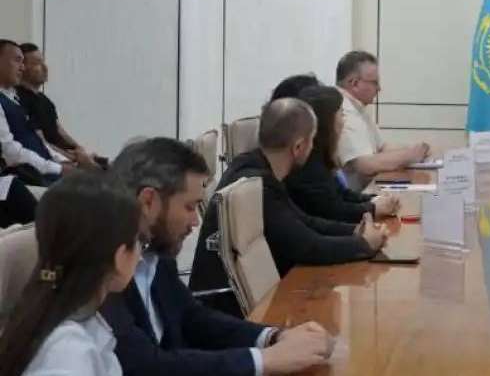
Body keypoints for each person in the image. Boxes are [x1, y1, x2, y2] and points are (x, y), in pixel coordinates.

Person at [102, 137, 333, 376]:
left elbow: (192, 317)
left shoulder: (154, 251)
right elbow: (146, 366)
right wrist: (263, 361)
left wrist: (273, 337)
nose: (196, 221)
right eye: (189, 207)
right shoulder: (101, 267)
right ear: (148, 201)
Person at [190, 98, 387, 315]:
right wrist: (363, 245)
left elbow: (303, 222)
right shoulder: (257, 185)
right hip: (228, 317)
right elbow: (308, 246)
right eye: (311, 141)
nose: (313, 148)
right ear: (299, 147)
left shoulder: (258, 168)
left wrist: (354, 232)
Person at [0, 171, 139, 376]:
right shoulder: (68, 352)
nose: (140, 256)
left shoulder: (41, 316)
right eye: (139, 242)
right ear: (120, 257)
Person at [286, 85, 399, 223]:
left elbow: (342, 194)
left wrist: (376, 199)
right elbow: (335, 211)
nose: (343, 121)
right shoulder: (308, 165)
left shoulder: (320, 156)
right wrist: (373, 208)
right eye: (341, 115)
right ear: (327, 123)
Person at [334, 51, 429, 192]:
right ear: (354, 83)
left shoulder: (357, 106)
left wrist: (415, 149)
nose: (379, 88)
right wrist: (409, 155)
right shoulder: (341, 108)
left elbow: (382, 147)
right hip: (352, 200)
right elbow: (364, 164)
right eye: (374, 83)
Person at [16, 43, 101, 167]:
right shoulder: (18, 98)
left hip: (61, 158)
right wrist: (72, 158)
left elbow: (59, 130)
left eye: (43, 62)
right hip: (43, 163)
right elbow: (39, 141)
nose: (45, 67)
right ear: (22, 67)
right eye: (37, 64)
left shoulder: (44, 100)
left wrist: (80, 149)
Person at [0, 40, 65, 183]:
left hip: (46, 172)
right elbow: (11, 153)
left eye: (23, 62)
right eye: (17, 60)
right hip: (27, 178)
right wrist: (59, 168)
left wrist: (65, 161)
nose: (22, 68)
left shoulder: (14, 100)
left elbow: (40, 143)